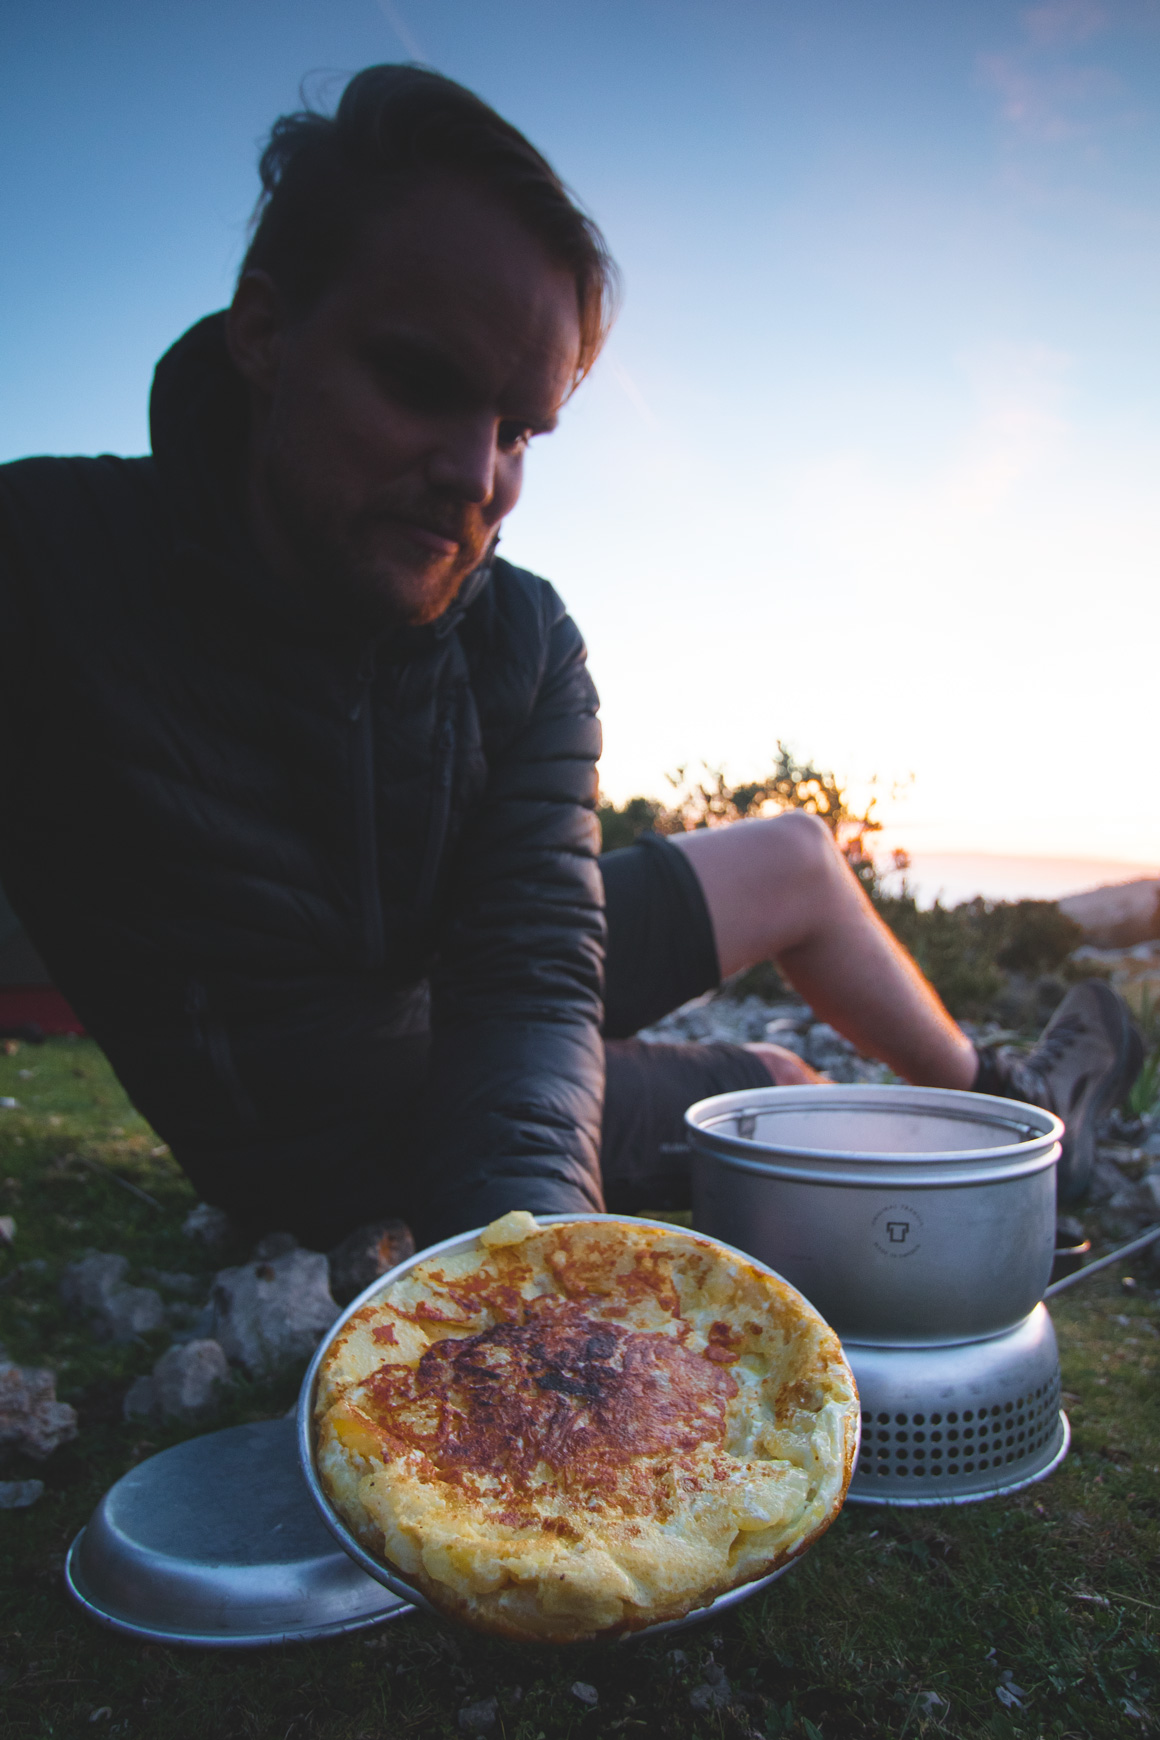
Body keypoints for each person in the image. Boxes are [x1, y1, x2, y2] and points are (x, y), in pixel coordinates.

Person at [0, 67, 1138, 1265]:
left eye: (517, 428)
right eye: (419, 382)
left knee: (798, 854)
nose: (474, 474)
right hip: (340, 1118)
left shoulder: (519, 639)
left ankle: (1016, 1109)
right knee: (783, 1090)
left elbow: (532, 973)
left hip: (463, 986)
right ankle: (996, 1153)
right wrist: (541, 1272)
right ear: (267, 331)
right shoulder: (48, 565)